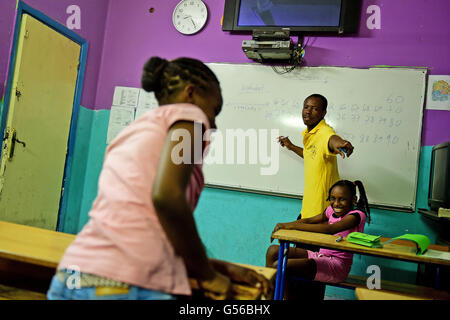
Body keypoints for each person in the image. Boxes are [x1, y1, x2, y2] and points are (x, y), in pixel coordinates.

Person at [47, 57, 270, 300]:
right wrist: (208, 276)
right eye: (214, 110)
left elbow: (140, 227)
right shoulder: (191, 119)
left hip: (75, 271)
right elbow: (168, 198)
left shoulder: (137, 130)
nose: (213, 123)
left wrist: (214, 266)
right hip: (127, 284)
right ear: (190, 94)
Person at [266, 180, 371, 299]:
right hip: (320, 256)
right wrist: (284, 224)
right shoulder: (331, 210)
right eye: (333, 198)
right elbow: (309, 220)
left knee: (279, 266)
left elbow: (329, 229)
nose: (336, 203)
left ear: (353, 200)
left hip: (337, 266)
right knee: (273, 251)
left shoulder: (357, 216)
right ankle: (269, 298)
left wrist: (290, 226)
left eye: (342, 199)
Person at [278, 93, 354, 219]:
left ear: (323, 112)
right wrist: (291, 147)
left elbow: (332, 139)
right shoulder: (311, 133)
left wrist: (340, 143)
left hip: (322, 207)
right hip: (310, 203)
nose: (308, 112)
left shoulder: (324, 132)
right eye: (306, 107)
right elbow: (311, 155)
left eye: (314, 109)